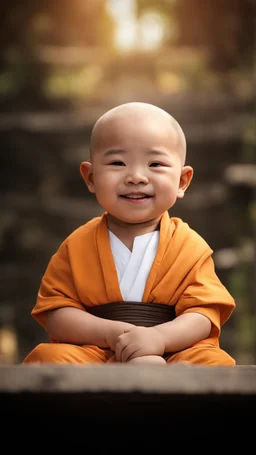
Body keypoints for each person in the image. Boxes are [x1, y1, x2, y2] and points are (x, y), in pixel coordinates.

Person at [23, 101, 236, 366]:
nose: (136, 176)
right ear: (90, 177)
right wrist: (114, 335)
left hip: (172, 352)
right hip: (96, 353)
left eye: (155, 164)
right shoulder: (77, 245)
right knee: (48, 358)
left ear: (182, 181)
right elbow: (56, 315)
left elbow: (203, 315)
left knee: (213, 363)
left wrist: (158, 339)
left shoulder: (189, 246)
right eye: (118, 162)